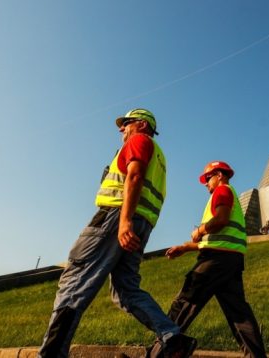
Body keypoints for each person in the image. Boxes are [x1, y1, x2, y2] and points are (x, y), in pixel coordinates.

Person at [38, 109, 196, 358]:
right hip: (141, 223)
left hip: (115, 218)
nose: (121, 129)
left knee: (75, 283)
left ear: (142, 125)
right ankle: (172, 339)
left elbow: (134, 176)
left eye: (126, 123)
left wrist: (124, 222)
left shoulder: (139, 140)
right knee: (125, 290)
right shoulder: (160, 157)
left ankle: (51, 354)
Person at [150, 161, 267, 358]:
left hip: (215, 261)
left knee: (184, 303)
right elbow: (217, 239)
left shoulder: (222, 192)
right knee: (239, 315)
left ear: (219, 175)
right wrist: (186, 247)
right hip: (231, 261)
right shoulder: (230, 196)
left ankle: (156, 355)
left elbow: (220, 221)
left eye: (207, 177)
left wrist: (199, 230)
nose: (205, 183)